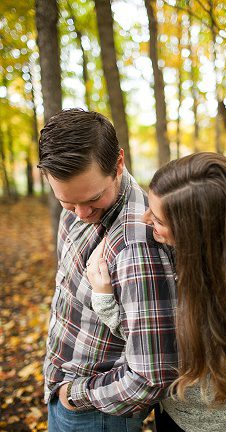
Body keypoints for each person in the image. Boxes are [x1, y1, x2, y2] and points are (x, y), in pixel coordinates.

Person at [85, 152, 226, 431]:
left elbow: (155, 344)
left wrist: (104, 298)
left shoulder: (206, 295)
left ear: (195, 232)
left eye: (158, 219)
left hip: (193, 423)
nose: (144, 219)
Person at [39, 108, 178, 431]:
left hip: (96, 414)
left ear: (118, 163)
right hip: (63, 383)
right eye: (67, 203)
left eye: (93, 199)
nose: (81, 213)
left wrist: (74, 395)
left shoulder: (138, 246)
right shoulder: (77, 204)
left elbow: (153, 374)